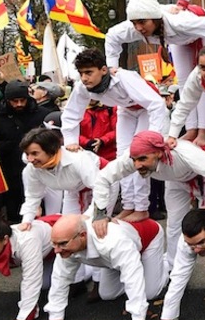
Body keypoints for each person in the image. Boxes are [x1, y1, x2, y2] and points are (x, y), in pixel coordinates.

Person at [105, 0, 205, 141]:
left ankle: (203, 132)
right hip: (178, 40)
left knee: (203, 78)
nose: (138, 28)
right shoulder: (136, 27)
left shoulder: (179, 22)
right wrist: (112, 66)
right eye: (134, 23)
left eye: (142, 22)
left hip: (201, 29)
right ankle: (191, 129)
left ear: (155, 18)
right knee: (183, 81)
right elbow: (112, 36)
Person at [91, 131, 205, 277]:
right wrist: (100, 214)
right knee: (173, 226)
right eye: (134, 160)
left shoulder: (185, 153)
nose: (137, 165)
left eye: (142, 159)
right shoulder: (133, 157)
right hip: (175, 180)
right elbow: (103, 178)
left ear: (158, 153)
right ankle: (173, 270)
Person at [61, 49, 168, 223]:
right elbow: (71, 113)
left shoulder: (124, 77)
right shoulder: (82, 87)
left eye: (89, 72)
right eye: (81, 73)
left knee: (139, 155)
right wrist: (71, 141)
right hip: (126, 110)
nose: (84, 78)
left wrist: (153, 138)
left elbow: (156, 104)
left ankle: (141, 208)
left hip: (147, 110)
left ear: (104, 70)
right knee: (122, 157)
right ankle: (128, 206)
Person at [33, 213, 168, 320]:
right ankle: (143, 267)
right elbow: (60, 278)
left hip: (149, 239)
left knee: (150, 293)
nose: (56, 250)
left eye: (62, 244)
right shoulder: (65, 247)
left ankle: (166, 263)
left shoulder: (113, 241)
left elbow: (133, 276)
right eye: (54, 244)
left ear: (83, 235)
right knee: (107, 294)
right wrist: (55, 316)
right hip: (113, 260)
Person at [0, 81, 50, 223]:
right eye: (14, 101)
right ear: (7, 100)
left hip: (41, 170)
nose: (19, 104)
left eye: (22, 100)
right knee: (14, 210)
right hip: (9, 171)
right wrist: (9, 146)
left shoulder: (43, 114)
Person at [17, 128, 110, 225]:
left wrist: (88, 216)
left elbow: (100, 188)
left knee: (96, 225)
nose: (30, 159)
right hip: (73, 189)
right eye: (27, 154)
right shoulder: (31, 169)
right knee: (67, 226)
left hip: (105, 183)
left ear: (50, 150)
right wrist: (26, 221)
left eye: (34, 153)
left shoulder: (78, 160)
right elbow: (33, 196)